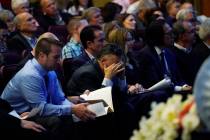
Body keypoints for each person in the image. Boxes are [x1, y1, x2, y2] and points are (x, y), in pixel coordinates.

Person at [1, 37, 96, 139]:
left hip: (34, 110)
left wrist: (76, 109)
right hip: (16, 117)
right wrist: (72, 109)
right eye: (56, 57)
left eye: (59, 57)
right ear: (42, 55)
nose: (59, 61)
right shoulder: (29, 75)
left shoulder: (50, 70)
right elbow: (41, 109)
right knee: (57, 120)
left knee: (85, 113)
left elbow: (59, 99)